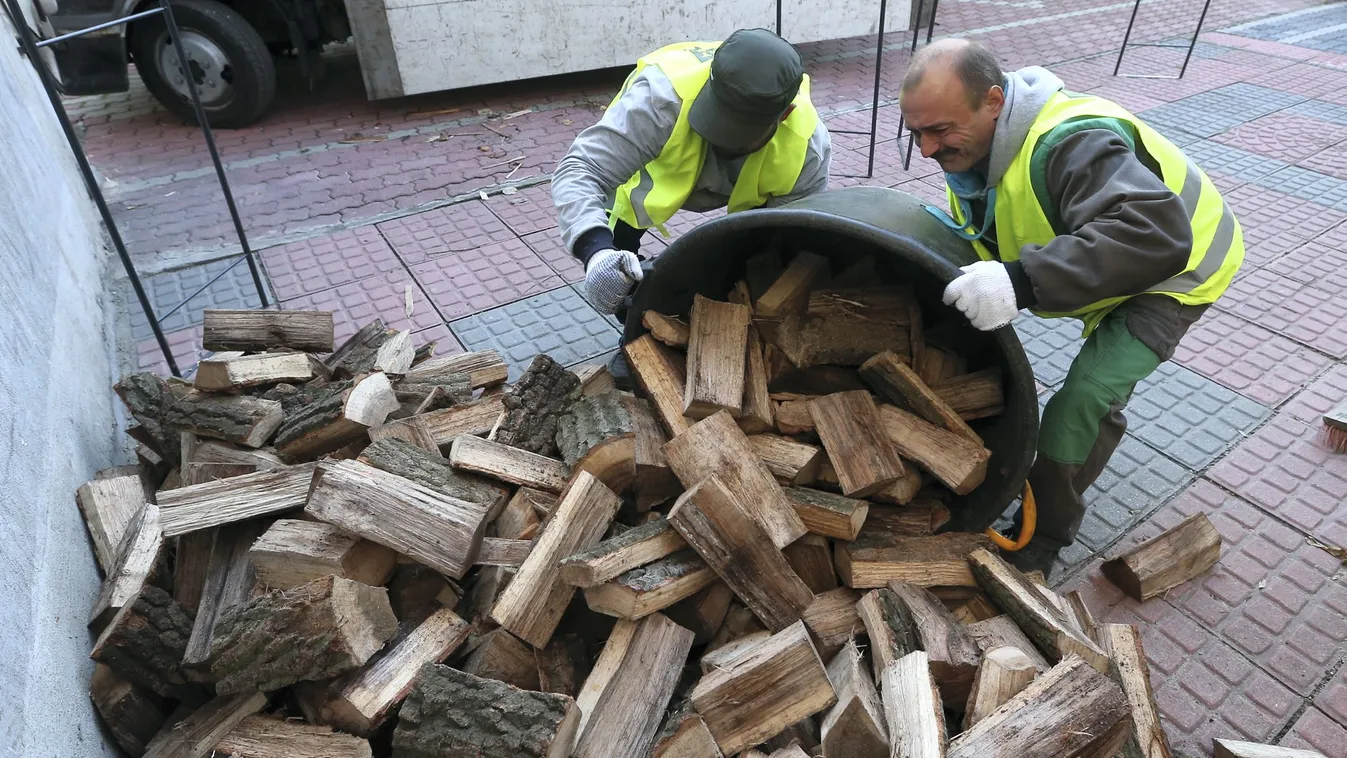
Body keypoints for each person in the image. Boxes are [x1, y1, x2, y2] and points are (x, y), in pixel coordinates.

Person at [898, 39, 1243, 577]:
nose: (925, 150)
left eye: (939, 131)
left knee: (1082, 401)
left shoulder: (1073, 142)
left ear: (993, 100)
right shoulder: (978, 148)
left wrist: (1019, 280)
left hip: (1176, 270)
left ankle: (1044, 537)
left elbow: (1154, 234)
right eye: (915, 132)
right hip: (1114, 259)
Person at [551, 28, 832, 320]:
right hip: (645, 181)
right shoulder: (659, 100)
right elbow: (581, 169)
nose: (718, 138)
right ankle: (637, 337)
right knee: (621, 277)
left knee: (750, 266)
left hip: (752, 199)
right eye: (714, 120)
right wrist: (595, 252)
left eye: (735, 133)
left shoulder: (807, 146)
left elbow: (790, 234)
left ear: (784, 114)